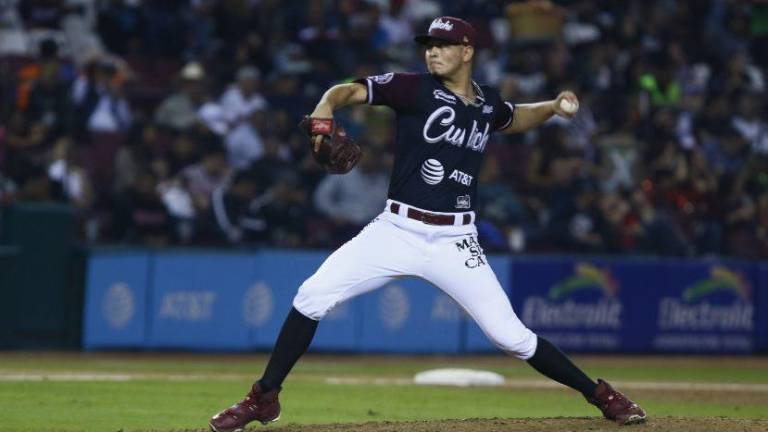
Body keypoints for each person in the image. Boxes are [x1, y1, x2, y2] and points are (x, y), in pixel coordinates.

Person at [209, 17, 647, 432]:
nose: (433, 52)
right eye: (429, 45)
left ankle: (601, 395)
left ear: (467, 51)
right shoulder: (412, 88)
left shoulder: (486, 102)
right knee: (311, 296)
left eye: (443, 45)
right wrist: (325, 105)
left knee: (512, 337)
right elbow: (349, 91)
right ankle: (264, 397)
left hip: (456, 239)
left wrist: (551, 107)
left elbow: (514, 117)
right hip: (395, 230)